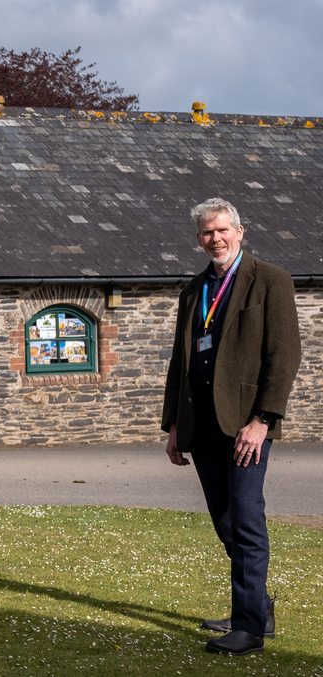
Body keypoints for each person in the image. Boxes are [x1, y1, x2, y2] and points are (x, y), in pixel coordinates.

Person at [161, 197, 301, 656]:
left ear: (240, 231)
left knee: (245, 518)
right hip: (200, 424)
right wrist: (174, 425)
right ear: (198, 238)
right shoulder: (194, 289)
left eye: (222, 230)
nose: (215, 239)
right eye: (206, 233)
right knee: (225, 521)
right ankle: (256, 607)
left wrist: (262, 420)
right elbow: (179, 363)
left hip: (245, 425)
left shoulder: (270, 280)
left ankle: (249, 628)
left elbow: (284, 357)